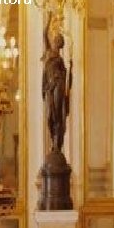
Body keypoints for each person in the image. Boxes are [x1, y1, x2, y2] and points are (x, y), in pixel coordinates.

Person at [41, 15, 73, 153]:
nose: (54, 41)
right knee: (49, 116)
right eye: (54, 39)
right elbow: (44, 33)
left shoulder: (60, 59)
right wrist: (48, 19)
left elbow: (66, 78)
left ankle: (56, 143)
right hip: (49, 87)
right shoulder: (48, 52)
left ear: (60, 44)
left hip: (58, 85)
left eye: (57, 40)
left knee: (58, 114)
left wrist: (70, 68)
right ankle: (54, 139)